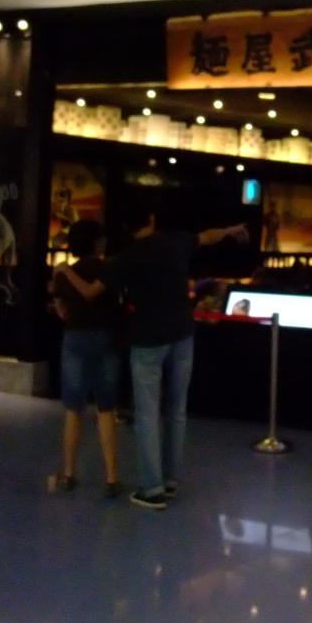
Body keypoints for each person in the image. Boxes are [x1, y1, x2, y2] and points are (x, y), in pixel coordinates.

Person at [59, 201, 249, 510]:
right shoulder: (175, 241)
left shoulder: (125, 258)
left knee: (147, 415)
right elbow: (208, 235)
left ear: (126, 228)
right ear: (151, 219)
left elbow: (91, 292)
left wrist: (66, 270)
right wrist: (230, 230)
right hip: (182, 334)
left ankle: (152, 489)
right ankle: (171, 480)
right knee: (177, 410)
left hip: (147, 340)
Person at [48, 220, 122, 497]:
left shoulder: (66, 273)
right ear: (96, 242)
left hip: (75, 339)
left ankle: (68, 473)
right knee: (106, 408)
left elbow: (60, 308)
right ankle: (111, 478)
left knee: (73, 408)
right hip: (105, 339)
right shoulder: (109, 270)